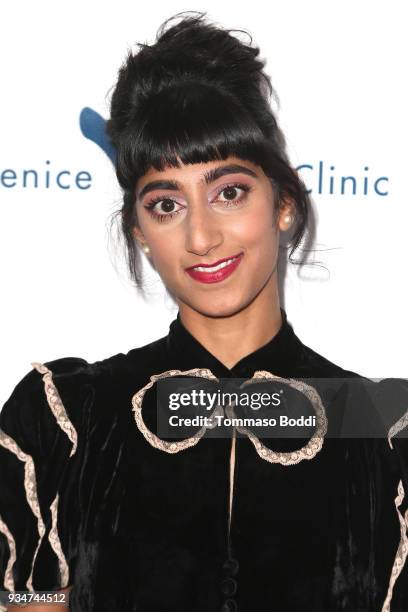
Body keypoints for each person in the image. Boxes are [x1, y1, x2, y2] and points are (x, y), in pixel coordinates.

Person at [1, 11, 408, 612]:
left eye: (229, 192)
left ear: (285, 204)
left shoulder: (382, 430)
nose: (200, 237)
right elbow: (27, 603)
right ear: (140, 231)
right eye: (166, 205)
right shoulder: (64, 421)